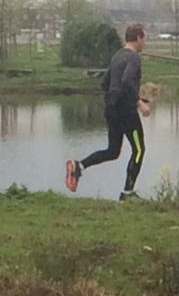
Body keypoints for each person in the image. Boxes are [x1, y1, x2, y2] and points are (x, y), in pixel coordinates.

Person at [65, 23, 152, 199]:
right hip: (127, 111)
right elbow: (127, 81)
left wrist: (113, 100)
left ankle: (79, 166)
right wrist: (139, 103)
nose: (145, 43)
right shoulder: (134, 58)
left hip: (111, 109)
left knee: (113, 151)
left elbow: (105, 83)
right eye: (145, 39)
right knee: (139, 150)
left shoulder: (117, 56)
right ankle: (127, 192)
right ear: (137, 38)